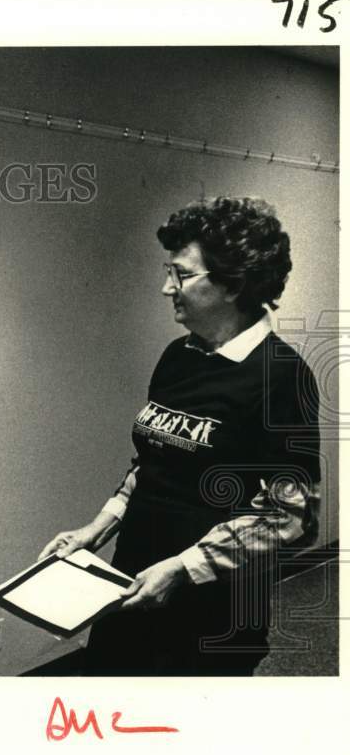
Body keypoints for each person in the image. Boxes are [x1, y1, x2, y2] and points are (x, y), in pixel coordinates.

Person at [40, 196, 321, 676]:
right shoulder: (178, 356)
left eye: (182, 275)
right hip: (131, 586)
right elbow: (150, 463)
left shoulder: (281, 376)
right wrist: (97, 528)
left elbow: (291, 514)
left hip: (211, 612)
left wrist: (184, 567)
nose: (164, 287)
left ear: (233, 283)